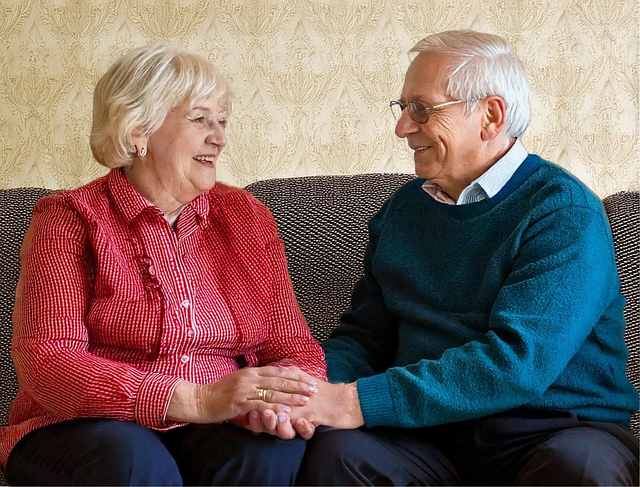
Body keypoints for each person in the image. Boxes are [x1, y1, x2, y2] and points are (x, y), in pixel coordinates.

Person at [288, 30, 640, 486]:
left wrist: (356, 402)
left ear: (490, 116)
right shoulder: (402, 211)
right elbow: (364, 337)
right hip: (426, 436)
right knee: (337, 453)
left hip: (552, 430)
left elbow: (520, 362)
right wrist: (309, 392)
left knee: (581, 470)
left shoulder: (562, 211)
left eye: (422, 109)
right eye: (403, 108)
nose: (402, 128)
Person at [1, 43, 325, 486]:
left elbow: (292, 345)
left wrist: (282, 403)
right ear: (139, 129)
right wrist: (195, 400)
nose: (220, 138)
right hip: (86, 424)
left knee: (267, 452)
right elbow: (49, 361)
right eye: (200, 119)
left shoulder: (246, 217)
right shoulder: (70, 217)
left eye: (223, 121)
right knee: (133, 461)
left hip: (216, 425)